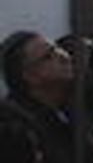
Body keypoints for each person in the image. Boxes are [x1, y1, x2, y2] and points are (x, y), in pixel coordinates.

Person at [1, 32, 74, 163]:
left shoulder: (70, 109)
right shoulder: (14, 129)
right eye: (49, 57)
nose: (64, 56)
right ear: (29, 76)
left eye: (57, 48)